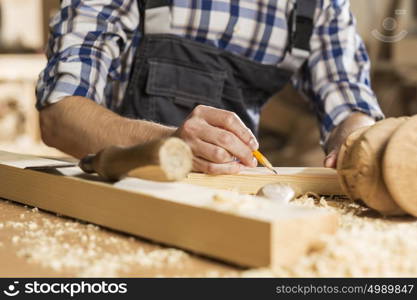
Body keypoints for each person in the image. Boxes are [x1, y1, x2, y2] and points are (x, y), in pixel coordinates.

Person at [36, 0, 383, 174]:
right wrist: (167, 145)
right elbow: (60, 114)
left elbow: (350, 101)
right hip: (127, 195)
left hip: (231, 201)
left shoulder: (317, 5)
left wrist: (360, 146)